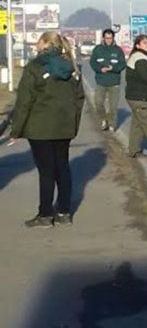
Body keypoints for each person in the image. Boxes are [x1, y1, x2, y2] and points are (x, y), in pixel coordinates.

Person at [9, 31, 85, 228]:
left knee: (46, 171)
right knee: (63, 168)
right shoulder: (72, 67)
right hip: (64, 127)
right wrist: (73, 124)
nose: (35, 44)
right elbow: (79, 99)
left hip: (40, 127)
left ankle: (44, 215)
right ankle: (64, 212)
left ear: (44, 43)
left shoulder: (35, 66)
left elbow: (25, 101)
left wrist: (16, 131)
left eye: (38, 40)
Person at [90, 28, 126, 131]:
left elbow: (122, 64)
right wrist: (100, 69)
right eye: (106, 38)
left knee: (113, 106)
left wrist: (113, 68)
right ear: (103, 38)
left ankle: (112, 124)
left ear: (113, 38)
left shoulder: (118, 50)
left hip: (114, 82)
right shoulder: (98, 49)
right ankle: (103, 119)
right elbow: (93, 62)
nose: (108, 40)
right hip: (101, 81)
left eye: (110, 38)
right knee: (98, 103)